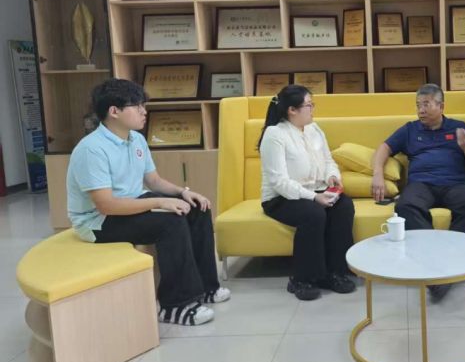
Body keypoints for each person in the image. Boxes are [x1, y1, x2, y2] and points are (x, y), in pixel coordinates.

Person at [67, 79, 229, 327]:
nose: (144, 112)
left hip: (131, 203)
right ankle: (175, 306)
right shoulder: (91, 150)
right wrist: (161, 203)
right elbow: (107, 206)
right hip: (98, 222)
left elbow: (154, 180)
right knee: (170, 222)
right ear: (114, 111)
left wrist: (183, 193)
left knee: (197, 208)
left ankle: (207, 287)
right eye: (138, 106)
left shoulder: (136, 139)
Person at [371, 84, 465, 300]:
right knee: (405, 206)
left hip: (455, 184)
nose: (420, 110)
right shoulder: (410, 129)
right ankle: (439, 265)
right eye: (418, 105)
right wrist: (377, 173)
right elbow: (384, 148)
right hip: (421, 184)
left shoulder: (459, 127)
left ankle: (443, 267)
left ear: (441, 106)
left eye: (426, 105)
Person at [260, 85, 356, 302]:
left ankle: (334, 272)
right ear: (292, 110)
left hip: (316, 190)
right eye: (309, 105)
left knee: (344, 205)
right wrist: (314, 197)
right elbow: (279, 182)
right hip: (280, 198)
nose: (313, 109)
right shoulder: (275, 134)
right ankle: (301, 279)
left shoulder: (314, 129)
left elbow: (329, 160)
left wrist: (332, 176)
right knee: (313, 213)